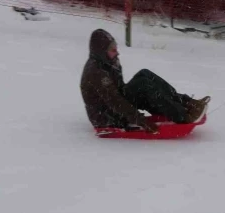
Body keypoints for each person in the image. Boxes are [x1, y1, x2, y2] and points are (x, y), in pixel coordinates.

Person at [80, 29, 210, 134]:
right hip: (107, 117)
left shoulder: (108, 62)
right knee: (143, 85)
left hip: (115, 106)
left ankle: (186, 103)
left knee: (144, 74)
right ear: (102, 52)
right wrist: (141, 121)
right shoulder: (96, 73)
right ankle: (182, 117)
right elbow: (115, 101)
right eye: (113, 49)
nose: (117, 52)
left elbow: (119, 91)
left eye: (116, 47)